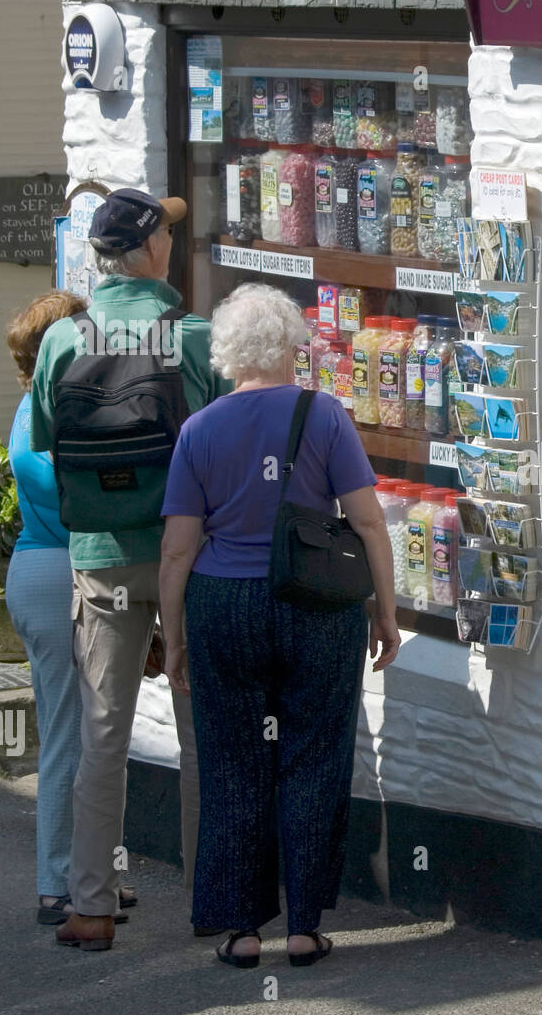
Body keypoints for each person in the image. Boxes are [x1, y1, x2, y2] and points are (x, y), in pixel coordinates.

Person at [158, 284, 399, 968]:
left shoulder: (200, 429)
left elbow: (178, 548)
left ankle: (238, 930)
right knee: (314, 756)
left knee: (232, 761)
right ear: (293, 348)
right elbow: (369, 521)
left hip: (223, 606)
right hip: (315, 605)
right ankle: (304, 923)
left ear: (229, 353)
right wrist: (384, 610)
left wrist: (172, 636)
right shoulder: (322, 415)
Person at [29, 189, 231, 952]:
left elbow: (51, 436)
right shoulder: (196, 336)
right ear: (151, 251)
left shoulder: (62, 339)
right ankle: (211, 900)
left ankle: (89, 907)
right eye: (167, 237)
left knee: (102, 734)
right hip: (187, 557)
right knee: (198, 734)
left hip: (101, 558)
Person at [5, 290, 138, 925]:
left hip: (69, 568)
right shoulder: (36, 413)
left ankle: (97, 874)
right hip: (56, 568)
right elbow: (67, 497)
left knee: (100, 732)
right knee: (69, 732)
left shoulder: (56, 407)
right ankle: (57, 880)